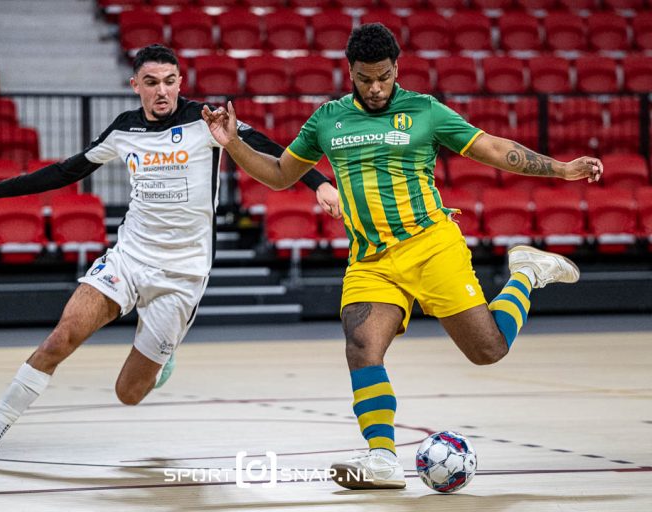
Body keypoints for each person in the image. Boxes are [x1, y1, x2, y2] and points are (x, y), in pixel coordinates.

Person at [203, 23, 604, 490]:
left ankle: (527, 274)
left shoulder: (425, 111)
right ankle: (381, 459)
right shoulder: (326, 121)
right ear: (349, 72)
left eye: (384, 76)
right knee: (360, 346)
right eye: (364, 78)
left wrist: (561, 169)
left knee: (488, 350)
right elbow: (277, 175)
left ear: (397, 69)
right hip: (371, 260)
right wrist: (231, 142)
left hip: (432, 246)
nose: (375, 88)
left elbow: (493, 148)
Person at [0, 44, 341, 467]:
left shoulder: (208, 121)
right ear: (136, 86)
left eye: (169, 81)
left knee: (128, 392)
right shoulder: (124, 130)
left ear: (180, 83)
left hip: (183, 274)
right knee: (62, 337)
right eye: (151, 83)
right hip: (129, 259)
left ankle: (161, 359)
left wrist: (319, 184)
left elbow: (278, 150)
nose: (161, 91)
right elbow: (66, 170)